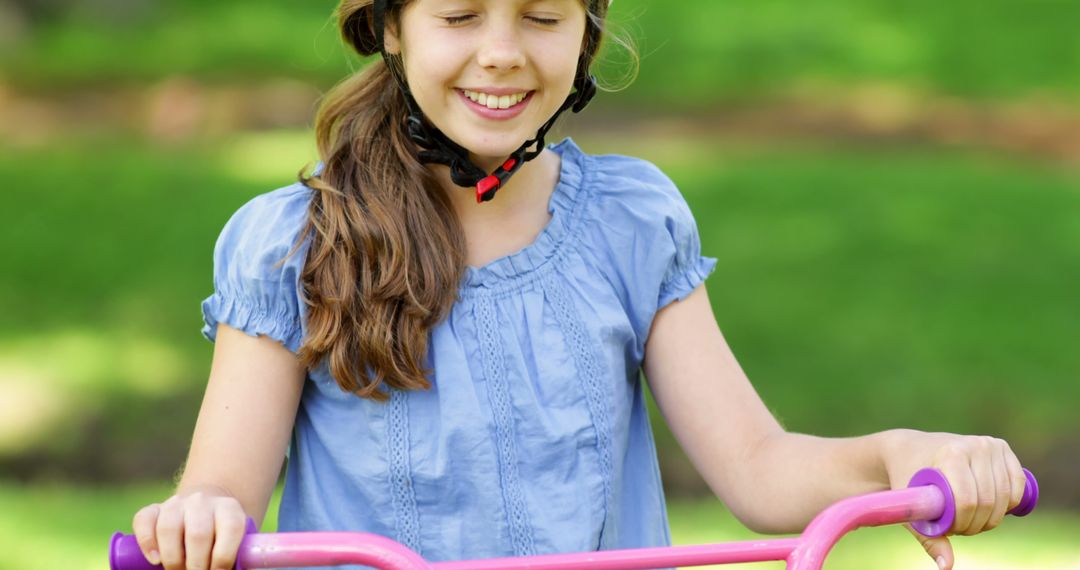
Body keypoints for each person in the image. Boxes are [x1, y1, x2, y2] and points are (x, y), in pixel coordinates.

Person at [129, 1, 1027, 569]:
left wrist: (902, 453)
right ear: (393, 25)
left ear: (587, 28)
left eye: (541, 16)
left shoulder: (630, 223)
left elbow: (760, 471)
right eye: (461, 16)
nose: (502, 52)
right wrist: (199, 517)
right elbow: (223, 493)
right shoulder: (293, 245)